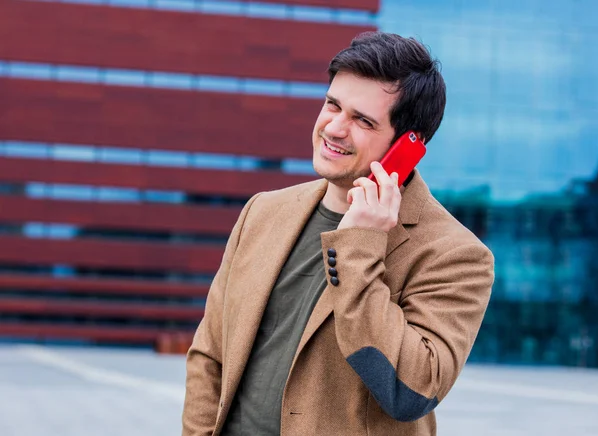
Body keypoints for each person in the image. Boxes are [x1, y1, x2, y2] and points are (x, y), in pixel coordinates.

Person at [182, 31, 494, 436]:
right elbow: (210, 354)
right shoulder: (262, 212)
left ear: (409, 145)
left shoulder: (455, 255)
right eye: (332, 105)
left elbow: (410, 391)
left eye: (362, 120)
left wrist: (360, 249)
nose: (334, 127)